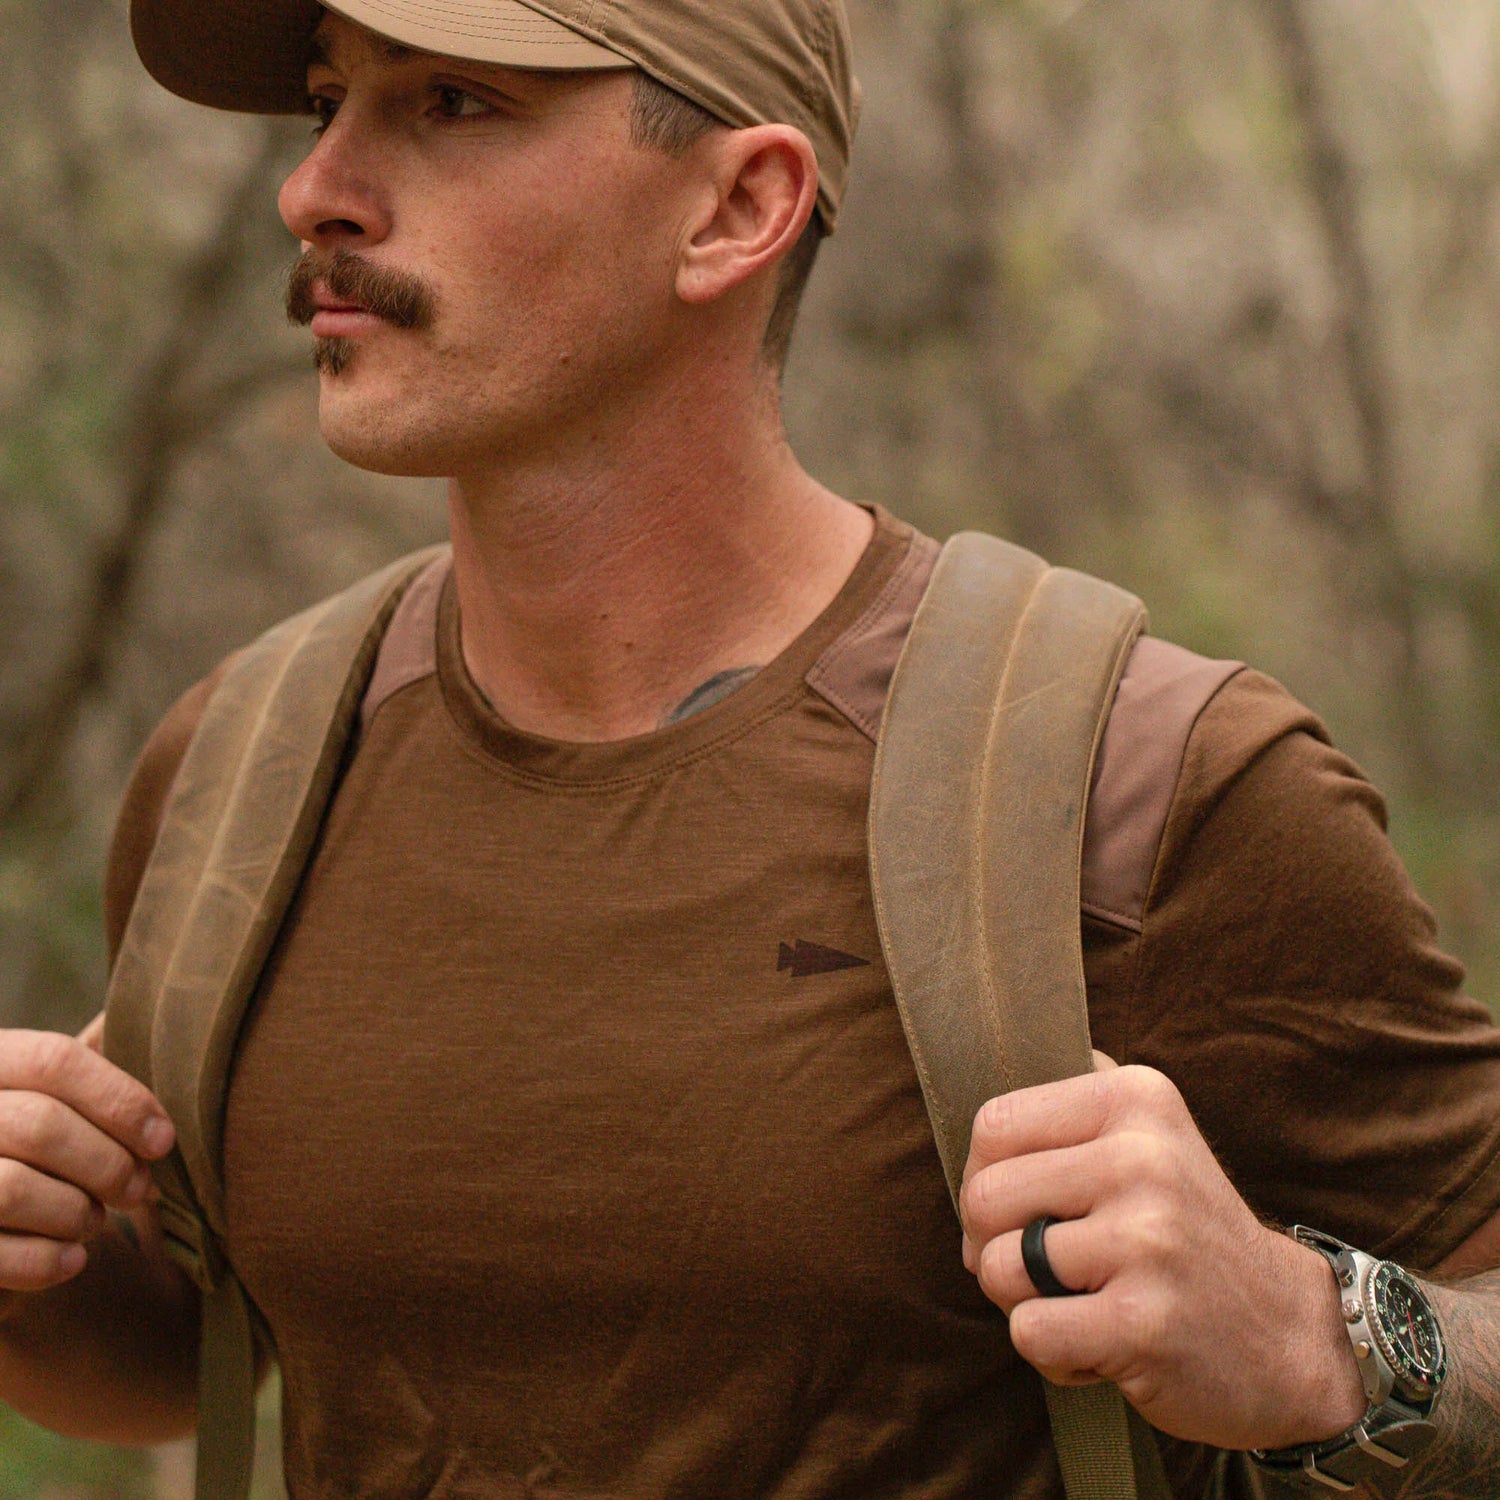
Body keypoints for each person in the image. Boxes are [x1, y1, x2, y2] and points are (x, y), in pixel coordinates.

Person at [0, 0, 1497, 1494]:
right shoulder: (240, 772)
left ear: (737, 207)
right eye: (331, 97)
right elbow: (181, 1357)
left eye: (451, 103)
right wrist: (31, 1262)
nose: (312, 185)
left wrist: (1322, 1343)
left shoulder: (1138, 784)